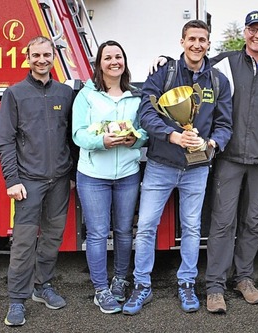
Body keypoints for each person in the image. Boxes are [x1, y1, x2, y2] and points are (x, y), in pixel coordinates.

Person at [122, 19, 233, 316]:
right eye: (192, 39)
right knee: (145, 227)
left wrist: (210, 144)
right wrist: (172, 135)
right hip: (161, 164)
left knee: (193, 228)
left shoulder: (218, 81)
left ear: (209, 44)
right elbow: (145, 112)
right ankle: (142, 285)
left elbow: (224, 125)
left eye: (203, 39)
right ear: (182, 41)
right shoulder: (164, 72)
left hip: (198, 168)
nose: (197, 44)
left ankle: (186, 283)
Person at [205, 10, 258, 313]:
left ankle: (244, 278)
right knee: (223, 222)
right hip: (229, 157)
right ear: (244, 32)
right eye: (252, 29)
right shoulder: (224, 63)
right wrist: (164, 63)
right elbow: (193, 70)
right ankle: (215, 286)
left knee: (253, 223)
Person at [0, 36, 77, 326]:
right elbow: (4, 141)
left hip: (59, 182)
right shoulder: (14, 94)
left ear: (54, 56)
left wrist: (72, 174)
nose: (41, 60)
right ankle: (17, 299)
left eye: (46, 54)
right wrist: (12, 180)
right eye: (36, 55)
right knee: (24, 242)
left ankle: (42, 287)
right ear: (27, 57)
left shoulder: (65, 93)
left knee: (53, 237)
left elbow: (73, 138)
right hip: (27, 183)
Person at [72, 40, 148, 314]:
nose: (114, 61)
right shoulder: (87, 95)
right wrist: (102, 140)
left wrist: (134, 140)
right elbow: (78, 134)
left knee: (125, 231)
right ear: (99, 64)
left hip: (128, 173)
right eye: (108, 57)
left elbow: (145, 132)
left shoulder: (136, 96)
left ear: (124, 62)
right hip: (93, 175)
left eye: (119, 56)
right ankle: (101, 289)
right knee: (97, 233)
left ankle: (120, 280)